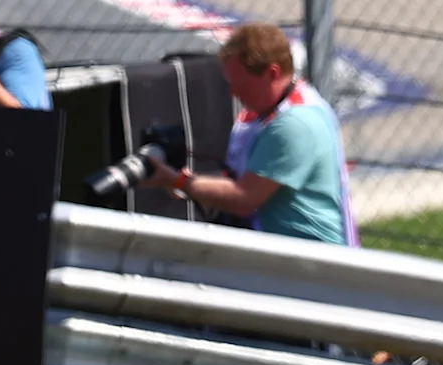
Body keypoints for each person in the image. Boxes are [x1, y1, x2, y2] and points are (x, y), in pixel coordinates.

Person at [144, 21, 351, 246]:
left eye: (241, 84)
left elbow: (244, 199)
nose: (234, 93)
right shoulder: (276, 108)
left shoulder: (295, 124)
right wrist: (187, 183)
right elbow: (239, 181)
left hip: (311, 262)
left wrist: (180, 181)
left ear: (272, 73)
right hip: (288, 256)